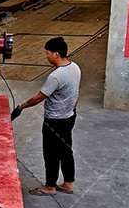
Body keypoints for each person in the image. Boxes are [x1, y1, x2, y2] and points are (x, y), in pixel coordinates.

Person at [11, 36, 81, 196]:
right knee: (66, 150)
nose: (46, 56)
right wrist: (73, 108)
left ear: (56, 54)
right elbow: (75, 91)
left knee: (51, 153)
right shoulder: (75, 67)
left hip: (54, 121)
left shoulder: (56, 76)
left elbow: (39, 97)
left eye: (47, 53)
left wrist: (21, 107)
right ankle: (68, 183)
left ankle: (50, 186)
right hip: (69, 116)